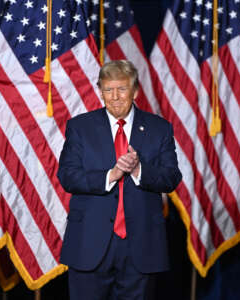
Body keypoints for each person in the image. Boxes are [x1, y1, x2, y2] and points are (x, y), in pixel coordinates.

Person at [57, 60, 182, 300]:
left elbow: (171, 177)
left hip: (142, 246)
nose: (114, 97)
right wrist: (109, 176)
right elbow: (67, 176)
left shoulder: (159, 128)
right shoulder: (80, 127)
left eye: (122, 89)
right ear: (101, 91)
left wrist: (138, 171)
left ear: (135, 91)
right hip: (90, 244)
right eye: (108, 89)